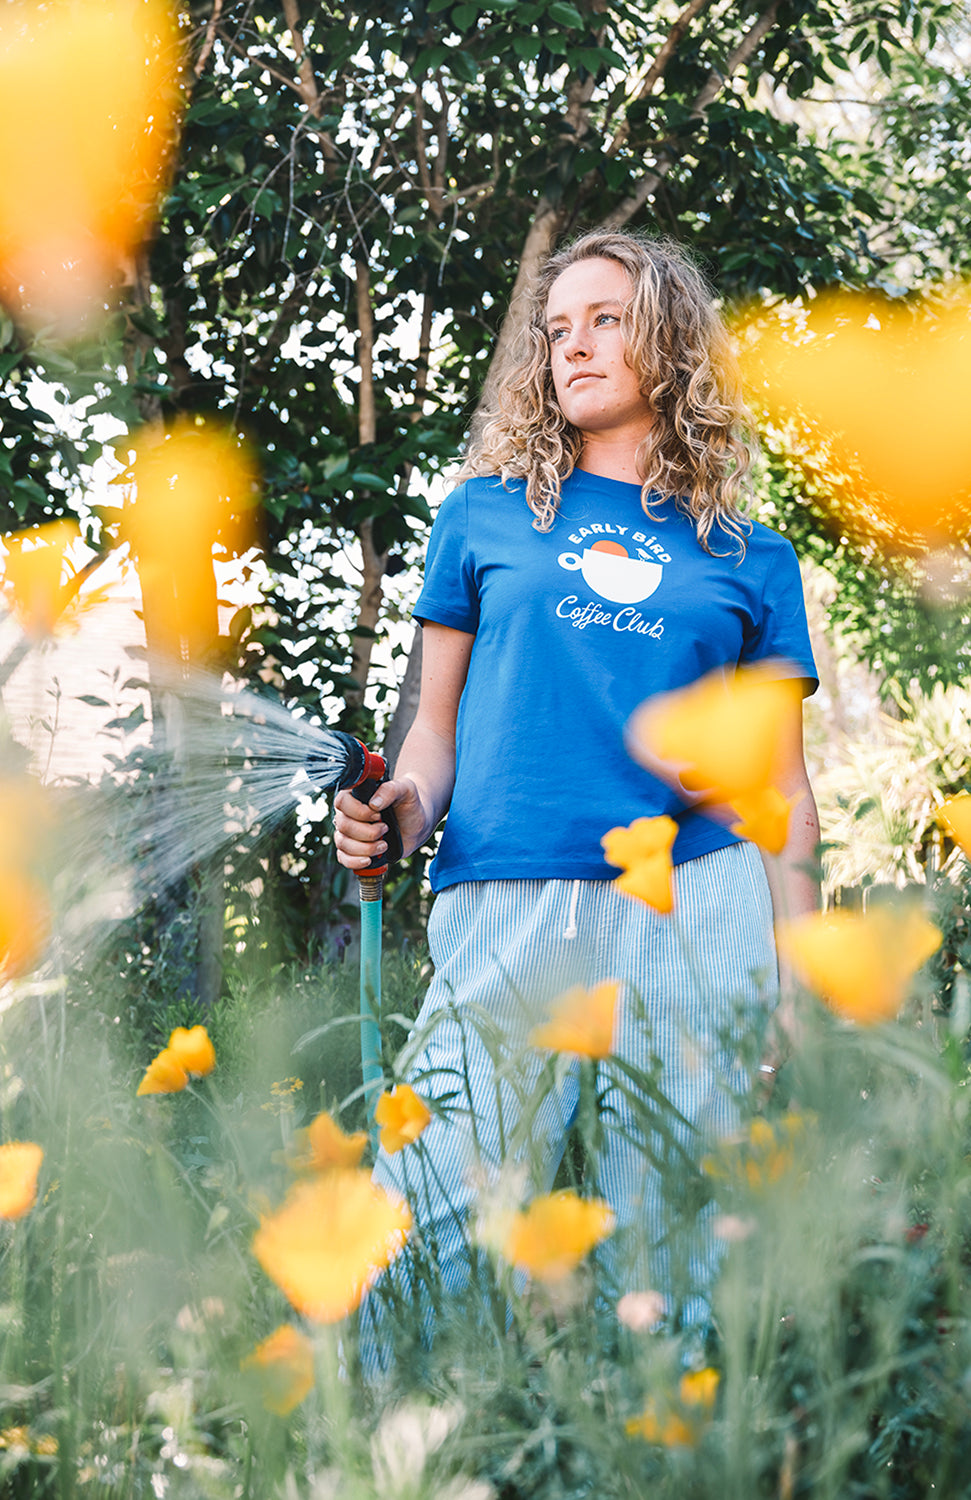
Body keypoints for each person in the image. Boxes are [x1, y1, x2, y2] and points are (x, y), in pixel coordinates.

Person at [335, 229, 819, 1357]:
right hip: (507, 889)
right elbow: (436, 731)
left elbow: (780, 789)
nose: (573, 346)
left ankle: (660, 1454)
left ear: (669, 341)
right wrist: (402, 807)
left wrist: (794, 981)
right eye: (557, 329)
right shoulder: (484, 515)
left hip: (694, 906)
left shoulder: (752, 558)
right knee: (426, 1214)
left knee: (673, 1240)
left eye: (604, 319)